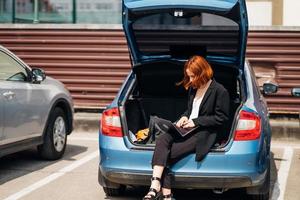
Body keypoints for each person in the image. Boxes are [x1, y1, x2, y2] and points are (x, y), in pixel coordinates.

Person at [142, 55, 230, 200]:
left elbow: (221, 118)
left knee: (167, 155)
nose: (190, 80)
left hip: (202, 132)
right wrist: (184, 117)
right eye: (188, 76)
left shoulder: (220, 91)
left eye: (193, 76)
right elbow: (190, 111)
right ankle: (155, 185)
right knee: (163, 139)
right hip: (186, 128)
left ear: (203, 73)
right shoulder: (193, 89)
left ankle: (166, 194)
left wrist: (196, 122)